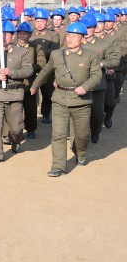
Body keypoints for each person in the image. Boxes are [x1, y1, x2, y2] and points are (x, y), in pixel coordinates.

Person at [30, 21, 102, 177]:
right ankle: (58, 166)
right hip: (60, 99)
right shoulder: (57, 54)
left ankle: (80, 153)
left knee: (82, 135)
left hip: (81, 101)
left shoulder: (90, 55)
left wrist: (86, 86)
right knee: (58, 134)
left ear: (82, 38)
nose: (70, 39)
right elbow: (46, 72)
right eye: (69, 35)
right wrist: (34, 86)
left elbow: (97, 75)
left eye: (74, 36)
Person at [0, 21, 34, 165]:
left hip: (14, 93)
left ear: (13, 36)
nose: (3, 37)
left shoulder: (21, 52)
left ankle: (15, 140)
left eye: (7, 34)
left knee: (16, 129)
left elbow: (28, 70)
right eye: (0, 34)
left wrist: (12, 73)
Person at [80, 12, 120, 143]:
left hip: (98, 84)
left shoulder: (104, 44)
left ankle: (96, 130)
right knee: (79, 117)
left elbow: (114, 60)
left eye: (89, 27)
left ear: (95, 26)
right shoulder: (75, 42)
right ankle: (80, 141)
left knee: (98, 114)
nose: (86, 30)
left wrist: (103, 64)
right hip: (78, 84)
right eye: (84, 27)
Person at [16, 21, 47, 139]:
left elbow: (41, 63)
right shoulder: (11, 47)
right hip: (14, 82)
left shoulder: (36, 48)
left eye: (25, 33)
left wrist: (27, 69)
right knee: (14, 109)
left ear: (30, 35)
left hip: (29, 82)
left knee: (30, 108)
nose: (22, 35)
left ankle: (30, 128)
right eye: (20, 33)